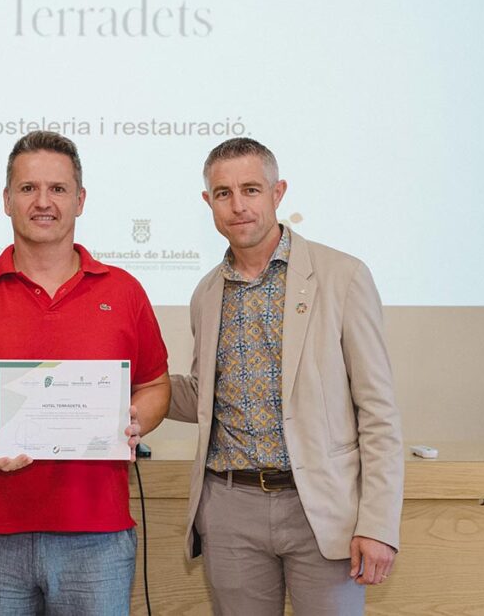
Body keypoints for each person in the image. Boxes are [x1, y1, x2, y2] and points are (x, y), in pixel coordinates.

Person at [0, 130, 170, 615]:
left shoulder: (124, 293)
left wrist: (136, 418)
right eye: (28, 188)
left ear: (80, 200)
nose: (43, 202)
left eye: (57, 189)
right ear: (6, 200)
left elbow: (155, 385)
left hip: (98, 539)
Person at [169, 137, 403, 616]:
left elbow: (378, 411)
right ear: (208, 202)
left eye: (251, 190)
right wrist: (124, 384)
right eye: (223, 193)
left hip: (321, 508)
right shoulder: (207, 293)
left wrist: (378, 524)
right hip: (230, 509)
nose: (238, 206)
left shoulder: (343, 276)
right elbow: (204, 396)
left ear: (278, 193)